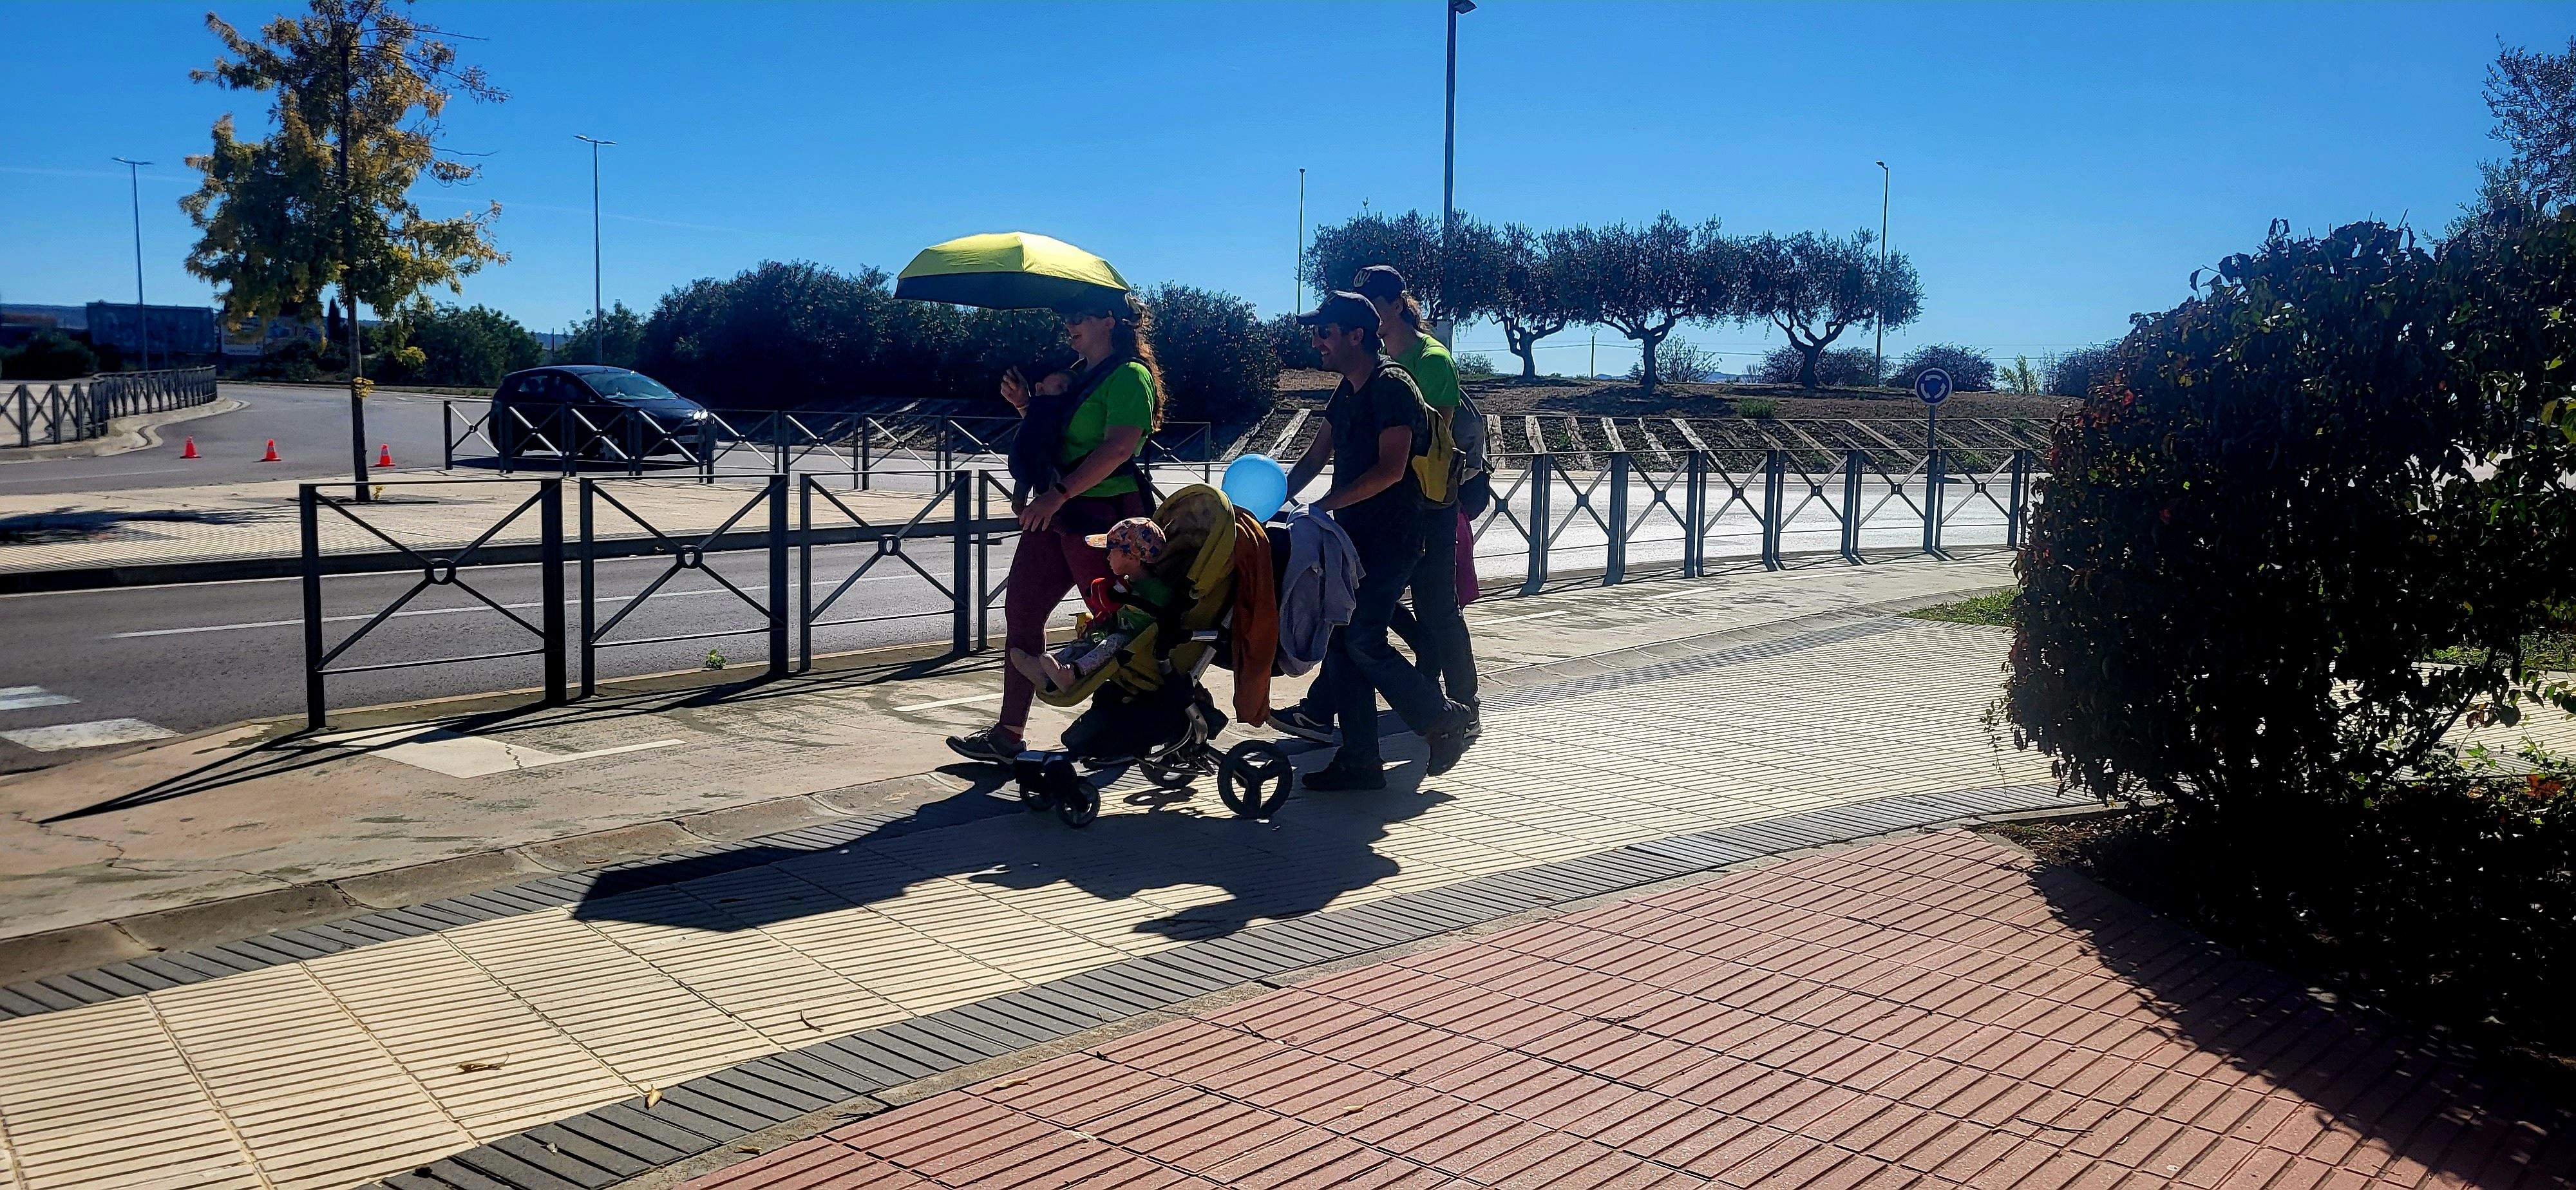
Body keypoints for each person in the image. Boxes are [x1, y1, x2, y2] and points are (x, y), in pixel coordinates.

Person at [947, 293, 1162, 764]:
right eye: (1065, 318)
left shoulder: (1130, 375)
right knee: (1022, 611)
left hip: (1103, 520)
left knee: (1118, 624)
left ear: (1110, 320)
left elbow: (1118, 449)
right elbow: (1060, 439)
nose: (1069, 325)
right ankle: (1008, 735)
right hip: (1058, 512)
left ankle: (1135, 727)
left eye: (1079, 316)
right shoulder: (1076, 376)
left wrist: (1058, 493)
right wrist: (1028, 407)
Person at [1273, 265, 1482, 744]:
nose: (1317, 343)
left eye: (1325, 333)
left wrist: (1324, 504)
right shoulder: (1350, 386)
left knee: (1397, 626)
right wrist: (1270, 501)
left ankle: (1447, 712)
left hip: (1409, 524)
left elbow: (1400, 464)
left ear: (1359, 331)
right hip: (1359, 532)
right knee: (1351, 638)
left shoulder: (1403, 377)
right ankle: (1357, 757)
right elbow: (1314, 456)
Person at [1009, 516, 1173, 695]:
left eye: (1113, 551)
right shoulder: (1126, 583)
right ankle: (1047, 668)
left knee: (1113, 642)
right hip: (1117, 632)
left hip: (1138, 645)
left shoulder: (1155, 589)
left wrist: (1131, 602)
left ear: (1132, 557)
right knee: (1091, 638)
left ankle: (1072, 673)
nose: (1108, 557)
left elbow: (1164, 610)